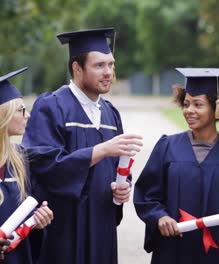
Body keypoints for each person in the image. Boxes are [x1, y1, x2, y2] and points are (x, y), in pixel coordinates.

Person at [22, 28, 143, 264]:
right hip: (64, 230)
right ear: (77, 68)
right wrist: (101, 150)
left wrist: (122, 188)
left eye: (111, 64)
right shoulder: (52, 106)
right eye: (99, 66)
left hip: (102, 225)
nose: (109, 72)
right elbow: (44, 166)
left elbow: (118, 167)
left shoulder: (110, 113)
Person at [134, 68, 219, 264]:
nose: (189, 110)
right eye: (186, 104)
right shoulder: (167, 146)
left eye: (198, 104)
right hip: (173, 249)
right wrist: (159, 217)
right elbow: (147, 193)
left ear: (217, 107)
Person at [0, 67, 54, 264]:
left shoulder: (20, 159)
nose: (28, 115)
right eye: (21, 109)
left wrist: (37, 222)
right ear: (2, 116)